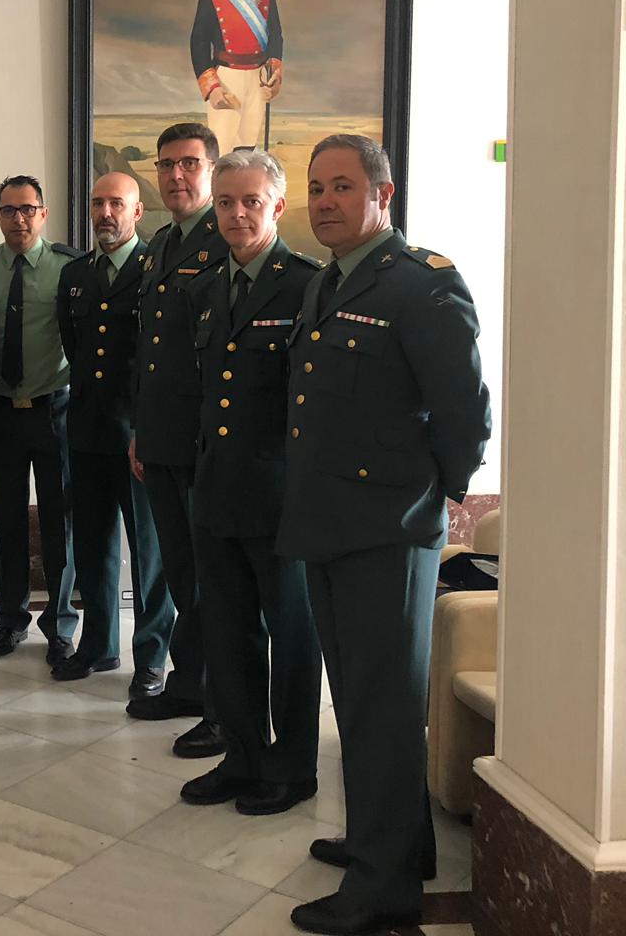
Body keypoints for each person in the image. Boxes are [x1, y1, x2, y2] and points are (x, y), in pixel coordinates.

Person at [281, 134, 490, 936]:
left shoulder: (420, 286)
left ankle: (384, 890)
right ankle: (389, 843)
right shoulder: (329, 282)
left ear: (383, 195)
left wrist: (432, 501)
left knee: (381, 708)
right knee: (362, 703)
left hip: (388, 529)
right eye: (317, 188)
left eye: (342, 187)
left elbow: (466, 416)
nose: (325, 201)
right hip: (329, 523)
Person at [179, 149, 323, 816]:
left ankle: (291, 768)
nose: (237, 214)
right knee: (228, 633)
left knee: (292, 635)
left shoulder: (308, 286)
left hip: (282, 498)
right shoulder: (207, 287)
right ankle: (240, 757)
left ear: (277, 208)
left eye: (251, 202)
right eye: (226, 201)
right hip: (216, 493)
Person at [128, 121, 229, 761]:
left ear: (212, 169)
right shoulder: (162, 244)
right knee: (183, 576)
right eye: (166, 165)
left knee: (216, 584)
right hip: (161, 441)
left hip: (206, 445)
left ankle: (224, 708)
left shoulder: (227, 240)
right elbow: (152, 352)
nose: (175, 175)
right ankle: (190, 684)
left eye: (189, 163)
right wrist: (140, 429)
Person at [53, 171, 173, 698]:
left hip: (137, 436)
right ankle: (98, 646)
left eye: (116, 204)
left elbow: (162, 360)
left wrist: (145, 428)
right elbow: (73, 345)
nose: (105, 212)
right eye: (98, 202)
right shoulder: (75, 275)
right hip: (85, 430)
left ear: (137, 212)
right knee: (94, 547)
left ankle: (151, 658)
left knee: (149, 555)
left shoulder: (157, 270)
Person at [0, 175, 83, 666]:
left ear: (44, 213)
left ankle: (59, 626)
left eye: (27, 209)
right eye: (9, 210)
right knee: (8, 520)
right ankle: (10, 622)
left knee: (60, 523)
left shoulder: (69, 267)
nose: (19, 219)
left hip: (53, 408)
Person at [189, 0, 284, 149]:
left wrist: (274, 74)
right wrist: (212, 88)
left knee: (248, 150)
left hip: (258, 79)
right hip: (226, 78)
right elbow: (199, 42)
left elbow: (275, 36)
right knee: (222, 151)